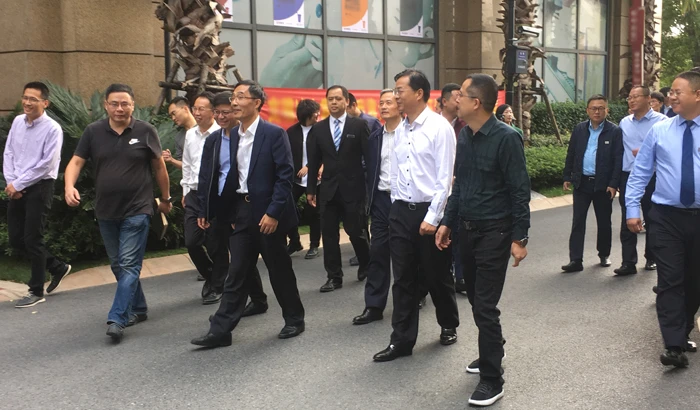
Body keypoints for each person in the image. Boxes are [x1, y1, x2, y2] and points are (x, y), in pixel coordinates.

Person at [436, 74, 531, 407]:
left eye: (461, 94)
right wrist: (447, 223)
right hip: (467, 230)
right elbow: (460, 185)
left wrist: (520, 237)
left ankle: (492, 378)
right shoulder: (465, 136)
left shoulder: (507, 138)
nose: (455, 98)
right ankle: (493, 350)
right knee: (477, 300)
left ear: (475, 103)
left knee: (486, 306)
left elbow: (519, 191)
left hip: (496, 232)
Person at [191, 80, 305, 348]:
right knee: (237, 271)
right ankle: (220, 331)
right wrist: (225, 211)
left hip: (268, 213)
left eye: (240, 97)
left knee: (279, 270)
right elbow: (232, 177)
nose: (234, 102)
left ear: (257, 103)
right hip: (242, 212)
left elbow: (284, 175)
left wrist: (273, 213)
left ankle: (294, 319)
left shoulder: (273, 133)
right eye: (234, 97)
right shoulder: (233, 136)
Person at [64, 83, 173, 342]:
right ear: (106, 105)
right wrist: (69, 186)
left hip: (138, 208)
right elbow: (76, 161)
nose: (120, 108)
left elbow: (159, 167)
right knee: (118, 264)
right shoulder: (93, 132)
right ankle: (139, 307)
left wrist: (166, 199)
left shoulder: (145, 131)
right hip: (106, 210)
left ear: (133, 106)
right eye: (114, 103)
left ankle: (118, 318)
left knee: (128, 264)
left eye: (125, 103)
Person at [373, 69, 459, 363]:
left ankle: (448, 323)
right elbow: (398, 172)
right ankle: (401, 340)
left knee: (436, 275)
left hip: (429, 212)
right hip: (400, 212)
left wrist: (433, 218)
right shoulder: (401, 129)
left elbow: (445, 179)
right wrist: (396, 205)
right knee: (403, 279)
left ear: (419, 93)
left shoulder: (439, 128)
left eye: (400, 90)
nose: (395, 96)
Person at [625, 70, 700, 368]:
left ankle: (683, 330)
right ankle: (673, 344)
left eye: (678, 92)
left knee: (694, 280)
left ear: (697, 95)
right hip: (666, 217)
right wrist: (632, 209)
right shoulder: (660, 130)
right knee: (670, 279)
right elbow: (640, 172)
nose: (671, 96)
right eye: (671, 92)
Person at [195, 91, 269, 317]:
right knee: (226, 253)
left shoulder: (246, 139)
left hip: (240, 205)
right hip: (219, 204)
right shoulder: (213, 140)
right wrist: (204, 208)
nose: (221, 117)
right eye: (217, 112)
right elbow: (205, 176)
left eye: (225, 112)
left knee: (239, 258)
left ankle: (227, 313)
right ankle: (257, 299)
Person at [4, 81, 71, 308]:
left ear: (45, 103)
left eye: (33, 99)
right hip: (17, 185)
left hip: (40, 186)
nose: (27, 102)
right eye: (25, 97)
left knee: (33, 238)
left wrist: (19, 183)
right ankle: (57, 267)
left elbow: (46, 165)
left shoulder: (53, 129)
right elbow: (9, 152)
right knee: (16, 239)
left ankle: (36, 290)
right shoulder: (17, 122)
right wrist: (12, 182)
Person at [307, 85, 371, 292]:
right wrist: (311, 190)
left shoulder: (358, 125)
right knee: (329, 235)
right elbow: (313, 162)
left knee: (356, 231)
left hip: (353, 188)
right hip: (328, 190)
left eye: (338, 99)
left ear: (346, 101)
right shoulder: (318, 129)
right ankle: (334, 277)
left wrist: (371, 189)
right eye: (330, 99)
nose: (334, 102)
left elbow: (370, 158)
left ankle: (366, 263)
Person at [352, 89, 401, 325]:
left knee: (406, 254)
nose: (383, 106)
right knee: (378, 253)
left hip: (405, 201)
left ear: (400, 105)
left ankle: (414, 296)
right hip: (381, 199)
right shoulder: (374, 137)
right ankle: (373, 305)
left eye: (388, 102)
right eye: (381, 103)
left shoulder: (410, 134)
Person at [561, 95, 622, 273]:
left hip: (603, 185)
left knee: (604, 222)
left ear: (606, 110)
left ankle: (604, 254)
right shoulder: (580, 129)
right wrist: (567, 176)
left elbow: (618, 159)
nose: (597, 111)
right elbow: (571, 153)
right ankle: (575, 259)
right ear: (587, 110)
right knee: (578, 221)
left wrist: (613, 183)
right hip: (582, 183)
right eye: (593, 108)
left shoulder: (614, 131)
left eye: (600, 108)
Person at [616, 86, 667, 275]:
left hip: (653, 176)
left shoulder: (662, 122)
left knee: (652, 217)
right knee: (627, 218)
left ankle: (651, 258)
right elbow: (619, 151)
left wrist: (648, 153)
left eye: (635, 97)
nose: (631, 100)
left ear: (648, 98)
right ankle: (628, 262)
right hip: (628, 175)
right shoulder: (624, 123)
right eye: (629, 97)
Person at [181, 92, 221, 302]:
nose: (196, 113)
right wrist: (185, 191)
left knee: (214, 243)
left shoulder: (221, 134)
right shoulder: (190, 134)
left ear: (213, 112)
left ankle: (216, 285)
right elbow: (187, 164)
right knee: (192, 242)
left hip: (214, 195)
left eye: (201, 109)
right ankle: (212, 275)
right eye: (194, 108)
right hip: (194, 194)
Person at [440, 82, 467, 294]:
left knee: (457, 232)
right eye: (457, 96)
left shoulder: (465, 126)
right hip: (436, 190)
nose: (460, 100)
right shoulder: (432, 125)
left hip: (458, 188)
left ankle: (460, 276)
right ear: (444, 101)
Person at [286, 99, 322, 260]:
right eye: (315, 113)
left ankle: (314, 245)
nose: (318, 115)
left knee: (314, 213)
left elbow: (326, 152)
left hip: (315, 179)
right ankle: (294, 241)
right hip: (296, 180)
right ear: (307, 115)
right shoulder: (291, 132)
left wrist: (310, 166)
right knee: (286, 208)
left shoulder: (321, 130)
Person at [163, 96, 196, 170]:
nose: (173, 118)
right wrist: (171, 160)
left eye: (174, 113)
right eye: (171, 116)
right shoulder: (179, 138)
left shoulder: (204, 128)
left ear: (185, 109)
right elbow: (185, 165)